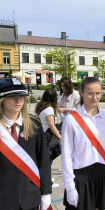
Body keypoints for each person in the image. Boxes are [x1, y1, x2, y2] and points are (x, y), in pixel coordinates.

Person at [61, 77, 105, 210]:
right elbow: (66, 156)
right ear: (81, 93)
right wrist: (70, 187)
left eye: (98, 93)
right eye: (90, 93)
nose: (94, 97)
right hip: (81, 179)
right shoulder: (71, 120)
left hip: (103, 176)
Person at [0, 77, 52, 210]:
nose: (18, 100)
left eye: (22, 96)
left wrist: (46, 193)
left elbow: (43, 160)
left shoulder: (34, 124)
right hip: (3, 198)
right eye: (13, 96)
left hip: (30, 197)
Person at [35, 88, 61, 189]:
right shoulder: (49, 109)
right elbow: (51, 124)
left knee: (46, 160)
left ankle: (47, 179)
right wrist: (59, 136)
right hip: (47, 137)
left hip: (43, 135)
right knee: (48, 161)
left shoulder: (41, 106)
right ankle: (48, 183)